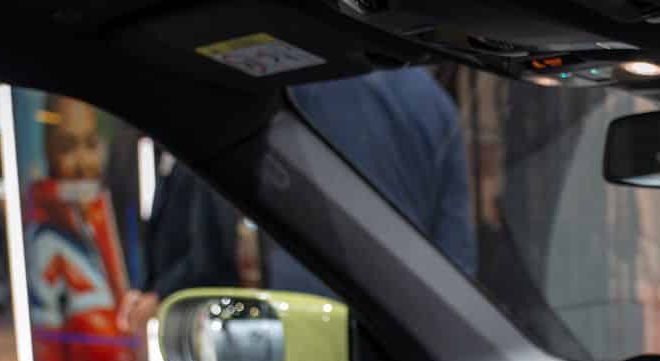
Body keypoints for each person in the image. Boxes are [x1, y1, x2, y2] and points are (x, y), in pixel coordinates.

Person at [267, 67, 475, 293]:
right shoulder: (439, 108)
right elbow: (456, 249)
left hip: (307, 287)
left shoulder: (306, 83)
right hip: (395, 297)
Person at [119, 154, 245, 336]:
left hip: (205, 318)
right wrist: (143, 291)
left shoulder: (197, 165)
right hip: (182, 319)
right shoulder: (169, 164)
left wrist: (158, 295)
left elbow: (206, 254)